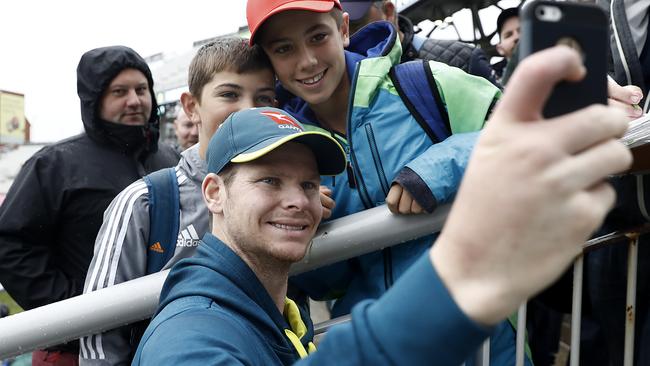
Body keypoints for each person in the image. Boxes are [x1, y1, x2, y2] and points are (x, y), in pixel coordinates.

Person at [132, 45, 633, 365]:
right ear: (214, 192)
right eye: (269, 180)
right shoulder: (194, 330)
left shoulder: (258, 304)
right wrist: (455, 277)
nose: (296, 201)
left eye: (310, 185)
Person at [246, 0, 526, 364]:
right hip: (385, 347)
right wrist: (310, 223)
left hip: (486, 337)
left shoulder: (420, 83)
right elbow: (327, 284)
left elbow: (521, 128)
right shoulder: (287, 147)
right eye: (284, 48)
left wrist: (438, 167)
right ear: (269, 60)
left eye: (318, 37)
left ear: (344, 29)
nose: (307, 61)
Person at [79, 37, 277, 366]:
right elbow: (98, 333)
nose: (249, 110)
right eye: (229, 94)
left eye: (264, 98)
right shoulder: (144, 202)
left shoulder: (293, 197)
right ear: (190, 106)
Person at [0, 45, 179, 366]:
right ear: (94, 101)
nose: (135, 100)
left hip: (165, 338)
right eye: (119, 92)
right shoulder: (54, 165)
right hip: (74, 351)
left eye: (141, 89)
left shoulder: (170, 159)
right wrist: (74, 307)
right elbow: (10, 244)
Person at [341, 0, 500, 86]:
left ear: (388, 12)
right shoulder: (344, 87)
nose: (346, 38)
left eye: (354, 26)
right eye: (338, 28)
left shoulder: (463, 59)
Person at [493, 7, 520, 83]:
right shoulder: (492, 80)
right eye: (508, 35)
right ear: (499, 48)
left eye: (521, 30)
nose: (516, 37)